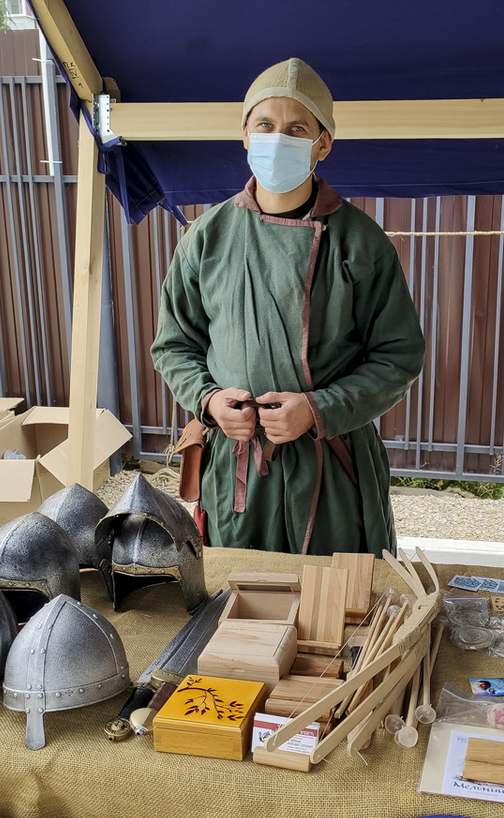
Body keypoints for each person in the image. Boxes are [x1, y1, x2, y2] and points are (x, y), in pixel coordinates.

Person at [151, 58, 425, 556]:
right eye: (265, 125)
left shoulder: (360, 243)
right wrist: (209, 400)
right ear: (245, 135)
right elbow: (175, 346)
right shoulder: (206, 238)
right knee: (237, 594)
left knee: (335, 599)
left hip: (331, 470)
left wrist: (319, 409)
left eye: (297, 128)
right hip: (235, 470)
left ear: (323, 143)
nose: (278, 138)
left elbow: (398, 356)